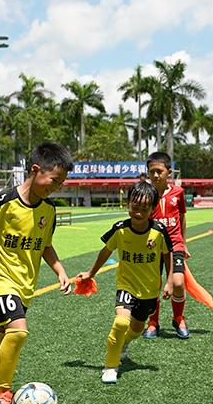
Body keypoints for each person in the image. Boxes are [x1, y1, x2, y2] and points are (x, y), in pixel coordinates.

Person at [0, 141, 74, 404]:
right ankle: (4, 395)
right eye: (54, 180)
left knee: (2, 335)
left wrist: (59, 270)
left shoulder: (49, 210)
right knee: (19, 332)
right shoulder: (1, 202)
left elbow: (45, 244)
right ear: (35, 170)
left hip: (25, 283)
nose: (57, 187)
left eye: (61, 182)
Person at [77, 181, 174, 383]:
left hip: (149, 290)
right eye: (134, 207)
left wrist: (169, 281)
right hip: (126, 286)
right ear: (128, 204)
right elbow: (106, 251)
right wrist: (91, 272)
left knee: (136, 331)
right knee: (121, 322)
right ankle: (110, 367)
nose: (138, 213)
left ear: (153, 208)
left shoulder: (159, 231)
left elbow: (168, 255)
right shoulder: (120, 229)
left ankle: (125, 342)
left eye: (144, 209)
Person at [141, 151, 191, 339]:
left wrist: (184, 243)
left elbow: (182, 217)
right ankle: (153, 322)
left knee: (178, 283)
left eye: (159, 171)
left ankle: (178, 318)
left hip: (175, 244)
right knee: (154, 286)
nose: (155, 175)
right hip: (152, 247)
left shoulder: (178, 192)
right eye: (151, 171)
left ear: (169, 172)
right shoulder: (145, 193)